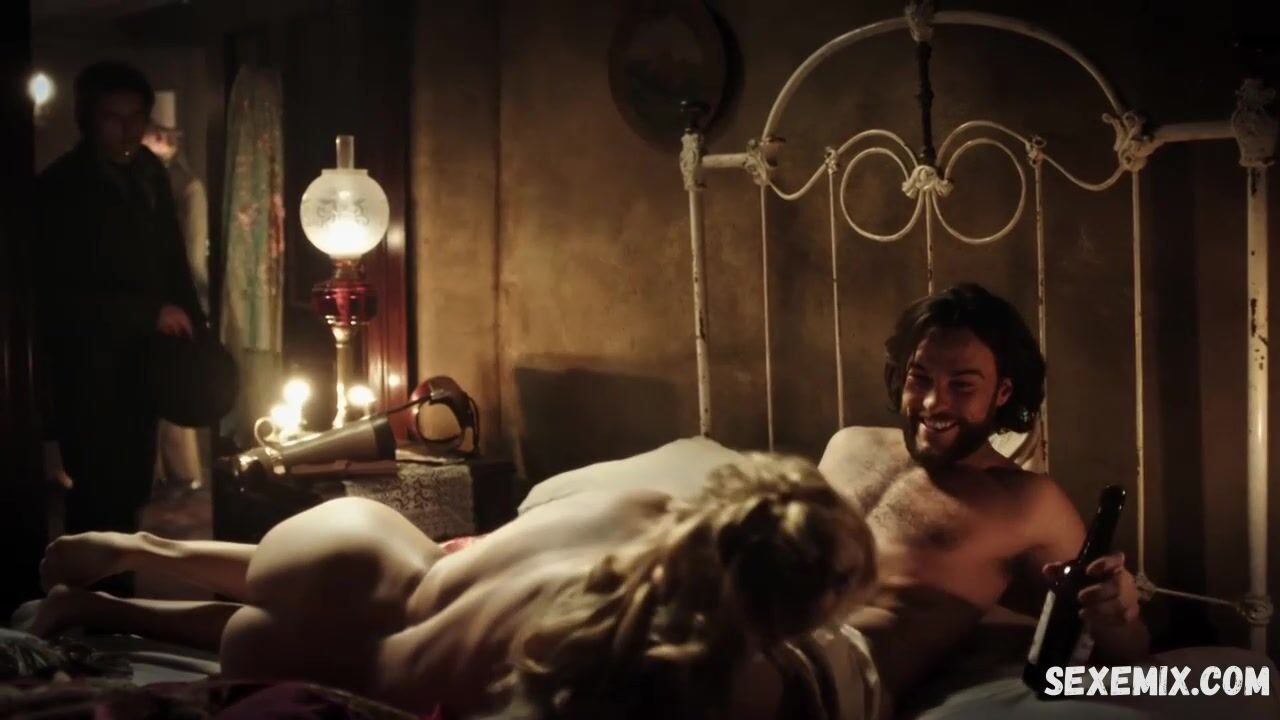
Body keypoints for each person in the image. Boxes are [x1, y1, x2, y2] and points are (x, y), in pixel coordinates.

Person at [22, 454, 878, 720]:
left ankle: (139, 557)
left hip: (354, 547)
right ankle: (115, 610)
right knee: (284, 632)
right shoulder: (707, 666)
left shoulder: (646, 503)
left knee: (321, 586)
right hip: (348, 673)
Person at [814, 283, 1273, 719]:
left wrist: (1116, 615)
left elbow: (1124, 656)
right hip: (774, 623)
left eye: (962, 385)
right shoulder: (848, 445)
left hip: (829, 675)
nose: (934, 402)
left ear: (1003, 392)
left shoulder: (1027, 503)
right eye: (920, 378)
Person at [34, 61, 206, 589]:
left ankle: (115, 605)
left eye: (136, 118)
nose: (128, 130)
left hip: (142, 362)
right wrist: (144, 312)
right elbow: (57, 293)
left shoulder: (148, 173)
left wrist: (194, 334)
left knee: (130, 490)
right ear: (89, 118)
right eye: (114, 117)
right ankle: (90, 606)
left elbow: (172, 261)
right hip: (89, 366)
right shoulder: (62, 187)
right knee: (97, 496)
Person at [141, 90, 210, 494]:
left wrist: (193, 301)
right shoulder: (142, 180)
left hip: (175, 297)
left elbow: (193, 254)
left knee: (171, 385)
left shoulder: (186, 186)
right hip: (148, 298)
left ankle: (180, 473)